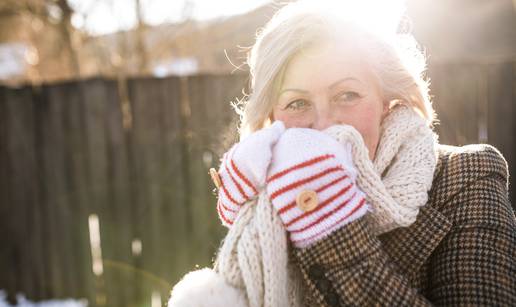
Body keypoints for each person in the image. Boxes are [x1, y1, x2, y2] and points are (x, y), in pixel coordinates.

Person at [169, 1, 515, 306]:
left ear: (385, 100)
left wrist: (326, 217)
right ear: (272, 118)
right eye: (298, 103)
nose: (325, 125)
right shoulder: (264, 206)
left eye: (347, 95)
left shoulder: (466, 176)